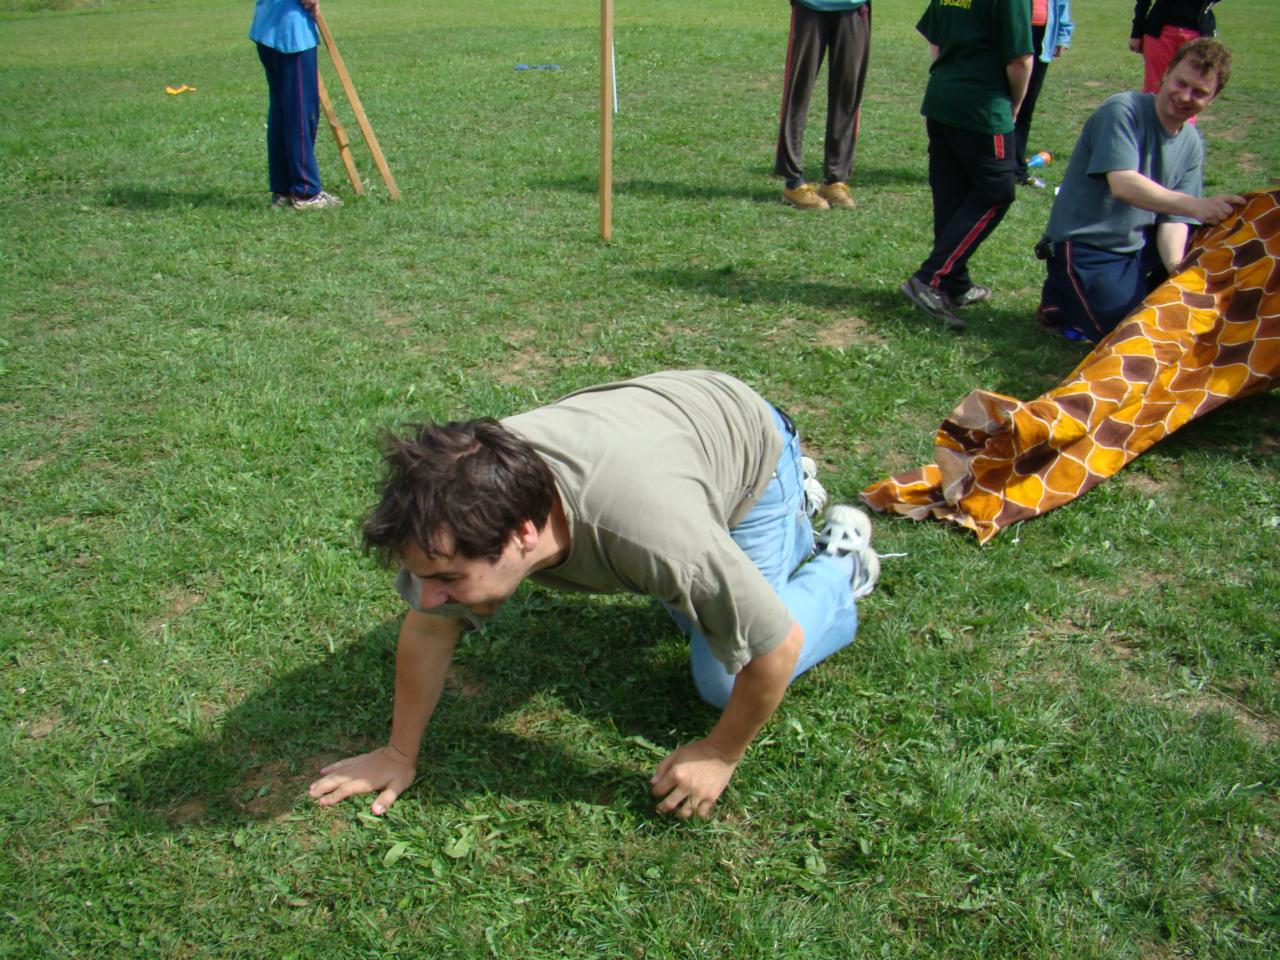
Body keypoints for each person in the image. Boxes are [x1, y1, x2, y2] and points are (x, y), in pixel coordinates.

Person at [307, 371, 880, 820]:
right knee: (700, 603)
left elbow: (777, 648)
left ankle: (838, 565)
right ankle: (775, 535)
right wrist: (398, 753)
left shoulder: (655, 538)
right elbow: (430, 626)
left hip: (748, 443)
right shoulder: (453, 513)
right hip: (663, 433)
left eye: (448, 581)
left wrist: (719, 753)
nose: (429, 597)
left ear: (523, 533)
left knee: (724, 678)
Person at [1035, 37, 1244, 343]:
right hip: (1087, 245)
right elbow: (1123, 184)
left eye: (1199, 92)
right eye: (1181, 83)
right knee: (1131, 336)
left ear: (1212, 99)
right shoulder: (1123, 110)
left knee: (1205, 251)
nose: (1185, 96)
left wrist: (1176, 271)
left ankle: (1070, 299)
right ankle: (1062, 300)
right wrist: (1197, 205)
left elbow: (1174, 220)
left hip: (1137, 247)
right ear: (1166, 74)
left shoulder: (1191, 143)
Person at [900, 0, 1033, 331]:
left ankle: (955, 284)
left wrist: (952, 74)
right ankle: (930, 279)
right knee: (997, 193)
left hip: (943, 98)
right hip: (982, 105)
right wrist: (1015, 104)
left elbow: (934, 39)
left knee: (952, 194)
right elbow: (1020, 59)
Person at [773, 0, 873, 211]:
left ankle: (835, 181)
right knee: (798, 92)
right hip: (810, 6)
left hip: (853, 8)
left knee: (848, 94)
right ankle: (793, 183)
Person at [249, 0, 342, 209]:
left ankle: (283, 190)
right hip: (291, 33)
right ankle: (305, 191)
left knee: (282, 112)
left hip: (269, 26)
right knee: (300, 114)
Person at [1014, 0, 1073, 190]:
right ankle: (993, 165)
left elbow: (1061, 4)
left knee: (1026, 107)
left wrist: (1062, 36)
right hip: (1013, 29)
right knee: (1005, 102)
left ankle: (1018, 170)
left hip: (1042, 37)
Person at [1130, 1, 1224, 97]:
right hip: (1160, 32)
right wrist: (1136, 33)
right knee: (1154, 87)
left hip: (1199, 35)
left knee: (1192, 89)